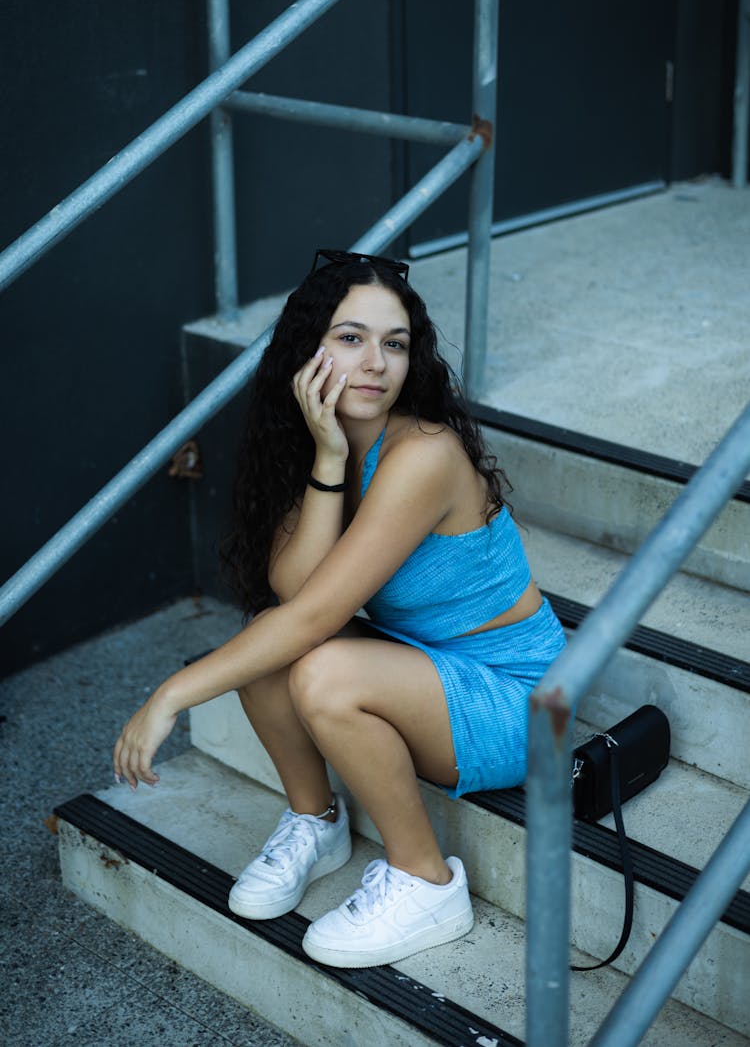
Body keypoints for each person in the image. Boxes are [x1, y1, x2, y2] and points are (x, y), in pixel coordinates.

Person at [113, 248, 567, 970]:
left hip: (521, 698)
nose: (376, 363)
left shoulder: (424, 451)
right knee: (272, 643)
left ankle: (426, 880)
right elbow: (293, 595)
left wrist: (172, 693)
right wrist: (327, 458)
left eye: (394, 343)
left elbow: (317, 617)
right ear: (308, 348)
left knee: (319, 668)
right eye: (350, 337)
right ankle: (315, 819)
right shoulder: (327, 445)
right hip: (429, 668)